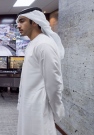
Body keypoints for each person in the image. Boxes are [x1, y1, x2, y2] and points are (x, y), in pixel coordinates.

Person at [16, 7, 65, 135]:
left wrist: (57, 109)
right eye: (17, 22)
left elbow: (53, 83)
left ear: (34, 22)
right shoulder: (33, 44)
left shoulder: (44, 45)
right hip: (28, 104)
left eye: (22, 21)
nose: (18, 25)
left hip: (39, 106)